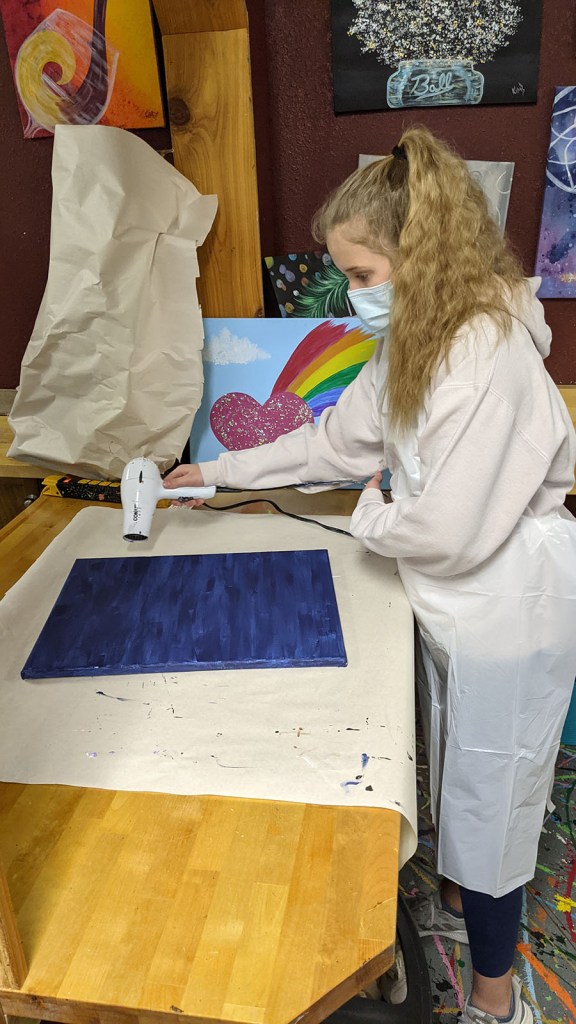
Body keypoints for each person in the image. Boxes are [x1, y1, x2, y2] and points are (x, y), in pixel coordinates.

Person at [164, 126, 576, 1024]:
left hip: (506, 606)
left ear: (421, 256)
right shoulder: (416, 339)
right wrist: (216, 471)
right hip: (452, 597)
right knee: (453, 767)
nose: (353, 295)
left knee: (493, 799)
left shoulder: (489, 355)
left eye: (361, 274)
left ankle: (496, 1000)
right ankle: (460, 903)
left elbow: (445, 530)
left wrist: (372, 514)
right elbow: (338, 441)